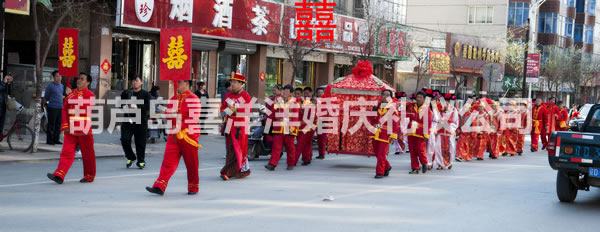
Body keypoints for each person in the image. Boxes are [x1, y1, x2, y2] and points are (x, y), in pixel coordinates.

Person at [146, 80, 202, 195]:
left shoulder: (194, 98)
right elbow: (169, 116)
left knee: (191, 163)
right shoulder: (173, 99)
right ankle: (160, 185)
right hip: (174, 135)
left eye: (179, 82)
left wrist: (177, 116)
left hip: (188, 135)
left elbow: (194, 118)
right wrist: (169, 114)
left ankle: (193, 187)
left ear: (187, 83)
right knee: (168, 161)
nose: (176, 85)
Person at [47, 73, 96, 184]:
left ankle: (89, 176)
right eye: (78, 78)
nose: (79, 80)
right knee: (66, 152)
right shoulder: (70, 94)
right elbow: (64, 110)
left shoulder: (90, 95)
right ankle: (59, 175)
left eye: (82, 79)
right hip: (70, 130)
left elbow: (83, 108)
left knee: (88, 154)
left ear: (88, 83)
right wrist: (65, 125)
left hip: (84, 129)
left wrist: (73, 96)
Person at [219, 74, 251, 180]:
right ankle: (234, 170)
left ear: (241, 84)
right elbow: (223, 108)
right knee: (229, 148)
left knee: (237, 148)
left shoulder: (245, 96)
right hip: (229, 124)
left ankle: (228, 172)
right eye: (231, 82)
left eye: (235, 82)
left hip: (239, 126)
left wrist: (235, 110)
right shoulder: (229, 95)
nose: (232, 84)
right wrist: (227, 112)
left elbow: (247, 110)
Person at [265, 85, 299, 171]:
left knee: (290, 147)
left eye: (287, 91)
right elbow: (272, 113)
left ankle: (291, 163)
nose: (284, 92)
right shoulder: (278, 101)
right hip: (278, 127)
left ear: (291, 93)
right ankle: (272, 164)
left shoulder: (294, 103)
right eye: (284, 90)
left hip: (289, 129)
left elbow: (295, 117)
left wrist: (292, 128)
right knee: (276, 147)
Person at [120, 75, 151, 169]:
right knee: (124, 139)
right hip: (127, 120)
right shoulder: (126, 93)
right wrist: (127, 106)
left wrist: (137, 106)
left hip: (141, 121)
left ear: (141, 83)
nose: (134, 82)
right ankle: (130, 157)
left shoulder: (146, 94)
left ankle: (141, 161)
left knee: (140, 142)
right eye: (133, 80)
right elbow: (120, 105)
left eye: (136, 80)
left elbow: (149, 106)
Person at [370, 90, 398, 178]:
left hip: (386, 134)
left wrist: (393, 136)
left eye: (388, 95)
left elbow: (395, 123)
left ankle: (379, 172)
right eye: (384, 95)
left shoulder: (393, 109)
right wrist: (372, 112)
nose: (386, 96)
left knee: (381, 153)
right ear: (381, 96)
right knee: (376, 153)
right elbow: (372, 120)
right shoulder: (377, 106)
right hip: (375, 132)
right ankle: (387, 166)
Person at [407, 91, 432, 174]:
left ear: (424, 99)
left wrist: (426, 134)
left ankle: (424, 162)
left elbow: (428, 123)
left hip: (421, 132)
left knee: (420, 149)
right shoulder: (411, 106)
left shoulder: (426, 109)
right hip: (411, 131)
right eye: (417, 97)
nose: (418, 99)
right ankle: (415, 168)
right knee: (412, 150)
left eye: (421, 97)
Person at [434, 93, 458, 169]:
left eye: (448, 101)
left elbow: (455, 121)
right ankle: (440, 163)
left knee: (450, 148)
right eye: (445, 101)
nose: (446, 103)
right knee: (438, 148)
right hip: (440, 132)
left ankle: (449, 162)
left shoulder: (454, 110)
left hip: (449, 132)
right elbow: (435, 119)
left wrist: (451, 128)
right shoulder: (439, 110)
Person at [295, 87, 316, 166]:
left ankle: (293, 161)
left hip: (307, 127)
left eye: (307, 93)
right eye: (305, 93)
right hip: (298, 126)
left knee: (301, 144)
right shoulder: (298, 102)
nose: (306, 95)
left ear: (311, 93)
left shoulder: (311, 103)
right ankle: (306, 158)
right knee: (305, 144)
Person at [44, 71, 64, 145]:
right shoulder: (50, 86)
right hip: (52, 107)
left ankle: (56, 139)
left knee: (58, 124)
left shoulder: (62, 86)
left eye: (60, 76)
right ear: (53, 77)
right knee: (51, 124)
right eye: (57, 76)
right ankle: (49, 140)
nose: (59, 78)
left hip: (60, 107)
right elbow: (46, 96)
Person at [0, 74, 13, 152]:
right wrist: (4, 82)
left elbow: (8, 92)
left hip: (2, 107)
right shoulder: (2, 83)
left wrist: (9, 83)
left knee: (0, 127)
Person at [315, 87, 327, 160]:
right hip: (318, 121)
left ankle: (322, 153)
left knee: (323, 139)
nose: (320, 94)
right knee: (319, 138)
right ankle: (320, 153)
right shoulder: (316, 101)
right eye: (319, 92)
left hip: (324, 121)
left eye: (321, 92)